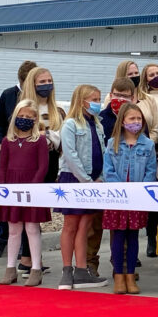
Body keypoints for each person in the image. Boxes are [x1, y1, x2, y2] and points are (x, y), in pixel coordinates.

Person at [56, 84, 108, 290]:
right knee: (70, 224)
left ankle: (81, 269)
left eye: (98, 98)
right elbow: (70, 154)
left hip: (95, 180)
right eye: (93, 99)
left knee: (85, 225)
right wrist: (85, 180)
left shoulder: (98, 124)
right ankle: (67, 270)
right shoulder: (70, 124)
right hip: (74, 179)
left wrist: (100, 178)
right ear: (82, 101)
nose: (97, 103)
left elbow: (102, 152)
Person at [0, 100, 50, 287]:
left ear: (35, 119)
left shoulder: (40, 140)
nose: (24, 120)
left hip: (31, 190)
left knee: (32, 229)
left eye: (29, 117)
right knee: (13, 229)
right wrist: (3, 189)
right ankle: (10, 268)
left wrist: (32, 188)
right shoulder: (7, 141)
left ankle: (36, 268)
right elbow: (1, 167)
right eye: (21, 116)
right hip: (11, 189)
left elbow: (43, 167)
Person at [103, 103, 157, 294]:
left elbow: (151, 171)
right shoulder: (113, 143)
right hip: (118, 199)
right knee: (118, 235)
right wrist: (120, 190)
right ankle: (118, 275)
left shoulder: (148, 145)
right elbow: (108, 170)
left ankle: (130, 275)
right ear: (123, 121)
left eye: (138, 119)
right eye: (131, 118)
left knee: (133, 236)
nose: (136, 122)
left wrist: (139, 191)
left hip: (137, 198)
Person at [16, 66, 64, 273]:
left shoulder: (58, 110)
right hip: (29, 163)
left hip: (50, 161)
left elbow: (59, 139)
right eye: (41, 82)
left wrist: (48, 137)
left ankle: (32, 257)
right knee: (29, 210)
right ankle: (26, 258)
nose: (46, 85)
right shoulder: (23, 108)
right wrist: (45, 137)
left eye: (49, 81)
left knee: (39, 211)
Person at [0, 59, 37, 258]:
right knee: (9, 201)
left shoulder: (40, 97)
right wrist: (1, 141)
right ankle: (2, 239)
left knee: (29, 207)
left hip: (30, 156)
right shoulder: (9, 95)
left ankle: (26, 250)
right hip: (10, 153)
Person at [137, 62, 158, 257]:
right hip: (152, 147)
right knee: (152, 194)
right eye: (151, 74)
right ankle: (151, 237)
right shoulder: (142, 97)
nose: (156, 76)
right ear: (145, 78)